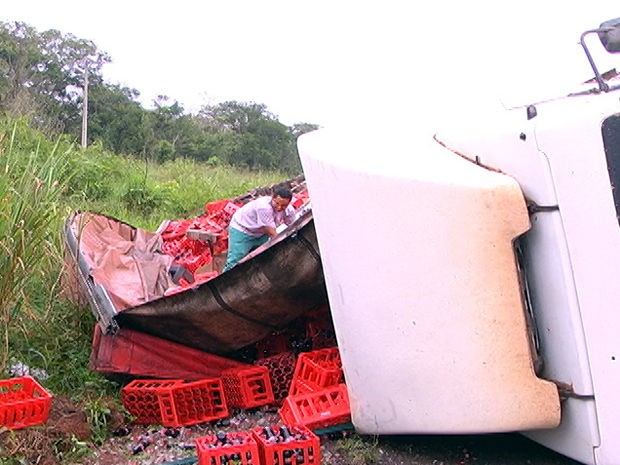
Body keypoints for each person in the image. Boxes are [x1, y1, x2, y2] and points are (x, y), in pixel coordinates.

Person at [222, 186, 296, 272]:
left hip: (261, 232)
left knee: (261, 258)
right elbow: (272, 233)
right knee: (235, 260)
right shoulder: (264, 207)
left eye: (284, 206)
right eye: (277, 203)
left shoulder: (289, 210)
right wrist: (284, 247)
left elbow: (293, 225)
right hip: (242, 229)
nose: (279, 208)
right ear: (272, 198)